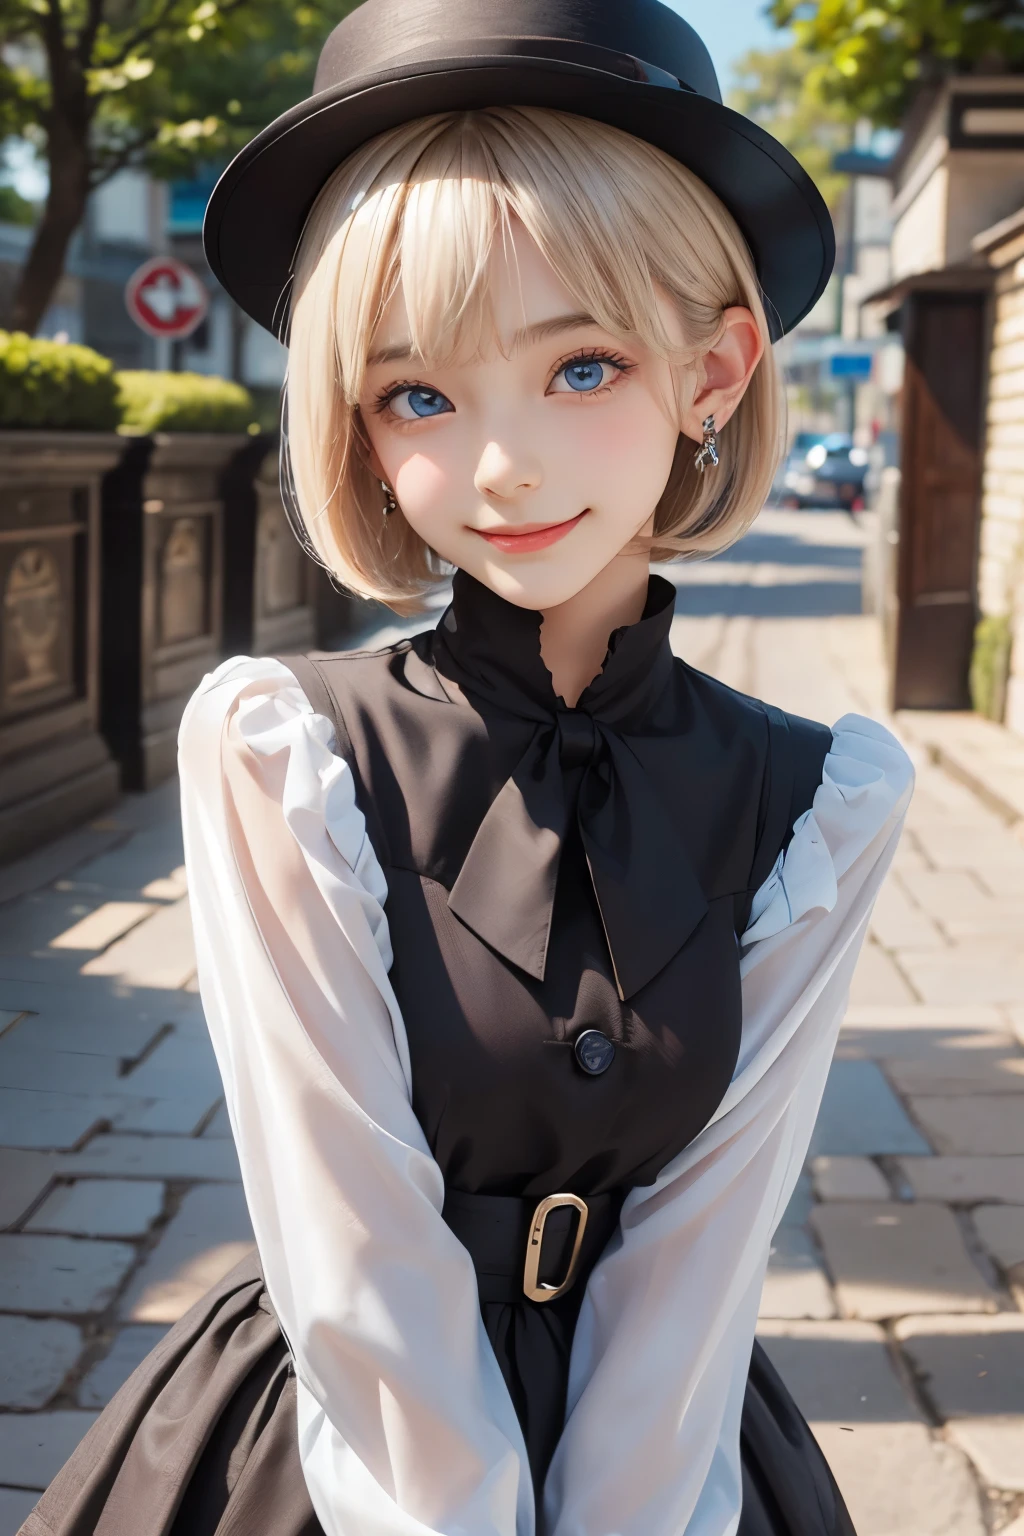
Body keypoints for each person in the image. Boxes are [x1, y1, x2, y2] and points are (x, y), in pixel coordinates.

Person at [20, 3, 913, 1535]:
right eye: (419, 394)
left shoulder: (820, 797)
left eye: (582, 368)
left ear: (718, 369)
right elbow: (345, 1226)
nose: (499, 462)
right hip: (345, 1453)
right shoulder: (283, 749)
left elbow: (712, 1232)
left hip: (674, 1442)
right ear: (359, 430)